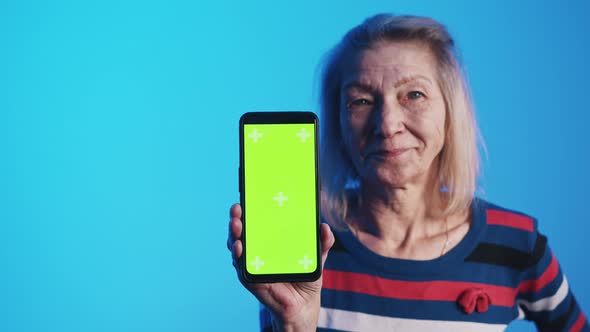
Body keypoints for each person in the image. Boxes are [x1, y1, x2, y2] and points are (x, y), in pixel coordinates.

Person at [227, 14, 589, 331]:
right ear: (338, 122)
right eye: (361, 101)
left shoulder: (517, 245)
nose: (387, 125)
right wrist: (294, 323)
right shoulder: (307, 246)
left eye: (413, 95)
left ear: (450, 112)